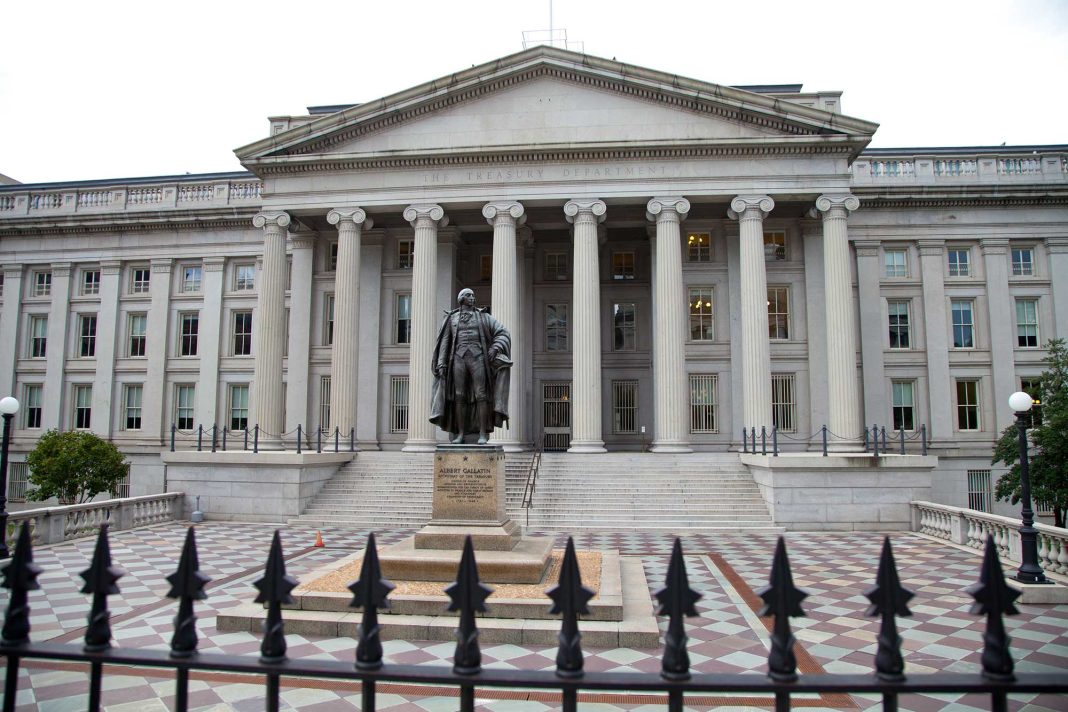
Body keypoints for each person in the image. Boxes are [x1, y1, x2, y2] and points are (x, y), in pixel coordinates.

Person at [430, 288, 511, 444]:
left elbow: (503, 332)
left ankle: (482, 434)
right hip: (458, 359)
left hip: (478, 358)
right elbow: (445, 342)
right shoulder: (451, 319)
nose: (473, 298)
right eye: (469, 295)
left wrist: (495, 347)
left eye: (474, 295)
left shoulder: (483, 316)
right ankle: (460, 434)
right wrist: (441, 363)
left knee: (481, 394)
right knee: (459, 396)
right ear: (461, 299)